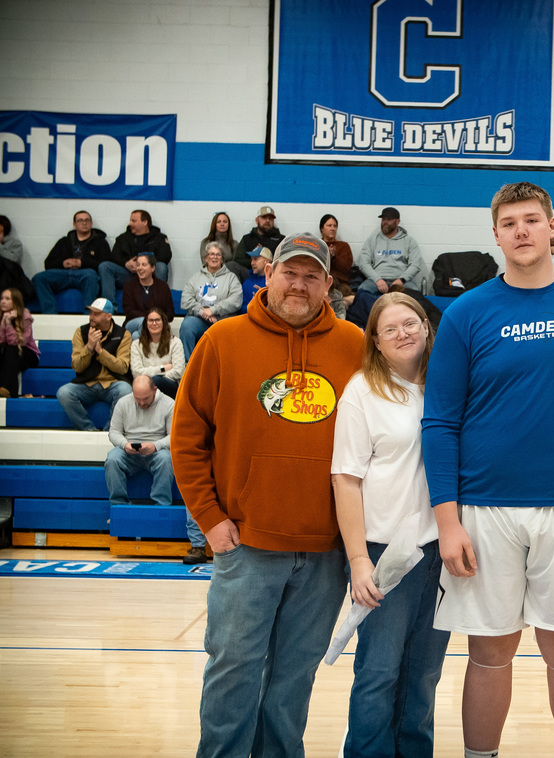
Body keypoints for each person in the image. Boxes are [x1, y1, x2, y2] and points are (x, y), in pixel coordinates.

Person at [422, 182, 554, 758]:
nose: (521, 230)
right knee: (489, 654)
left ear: (552, 228)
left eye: (532, 219)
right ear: (495, 235)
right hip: (484, 509)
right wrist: (447, 518)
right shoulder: (465, 312)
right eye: (509, 222)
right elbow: (440, 421)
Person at [170, 232, 364, 756]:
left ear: (328, 285)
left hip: (324, 552)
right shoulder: (222, 340)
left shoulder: (355, 346)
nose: (299, 285)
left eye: (311, 276)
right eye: (290, 273)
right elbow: (187, 438)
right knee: (233, 671)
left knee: (292, 680)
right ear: (268, 274)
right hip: (247, 544)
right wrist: (209, 519)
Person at [331, 292, 450, 757]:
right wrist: (359, 560)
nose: (404, 333)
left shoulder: (446, 385)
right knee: (379, 671)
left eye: (412, 323)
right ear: (376, 342)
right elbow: (345, 478)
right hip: (384, 552)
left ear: (427, 327)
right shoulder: (362, 390)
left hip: (439, 548)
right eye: (390, 329)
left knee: (423, 671)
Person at [56, 298, 132, 431]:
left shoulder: (123, 334)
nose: (91, 317)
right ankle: (89, 429)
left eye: (96, 314)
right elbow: (77, 366)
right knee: (64, 393)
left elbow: (122, 367)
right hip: (87, 384)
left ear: (108, 317)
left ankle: (109, 431)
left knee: (126, 390)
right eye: (91, 313)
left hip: (112, 383)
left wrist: (100, 352)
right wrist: (89, 347)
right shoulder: (80, 332)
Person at [104, 375, 175, 510]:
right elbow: (113, 432)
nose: (142, 403)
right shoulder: (123, 402)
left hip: (157, 449)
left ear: (155, 390)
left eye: (146, 398)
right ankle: (118, 506)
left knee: (166, 459)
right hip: (128, 448)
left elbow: (174, 436)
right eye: (137, 399)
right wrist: (125, 444)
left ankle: (161, 506)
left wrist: (155, 446)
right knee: (112, 459)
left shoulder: (169, 404)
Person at [32, 210, 107, 313]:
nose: (84, 223)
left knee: (91, 276)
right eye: (80, 220)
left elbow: (104, 264)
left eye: (87, 220)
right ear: (74, 224)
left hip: (85, 274)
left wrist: (82, 263)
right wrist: (63, 263)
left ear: (91, 223)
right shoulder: (64, 241)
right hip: (63, 273)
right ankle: (50, 314)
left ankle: (89, 317)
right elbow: (48, 263)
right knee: (39, 278)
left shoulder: (100, 242)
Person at [179, 241, 243, 360]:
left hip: (222, 321)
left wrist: (213, 310)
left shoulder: (231, 278)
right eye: (211, 254)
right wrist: (202, 312)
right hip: (200, 320)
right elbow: (185, 299)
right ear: (205, 258)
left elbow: (236, 301)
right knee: (187, 325)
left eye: (218, 255)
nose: (214, 257)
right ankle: (189, 367)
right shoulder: (196, 278)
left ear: (222, 259)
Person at [100, 209, 172, 304]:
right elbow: (114, 256)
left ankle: (156, 306)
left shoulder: (159, 238)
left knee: (161, 267)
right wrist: (126, 263)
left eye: (134, 221)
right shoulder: (123, 238)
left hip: (150, 276)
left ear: (145, 222)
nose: (130, 224)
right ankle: (108, 307)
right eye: (130, 221)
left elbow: (165, 256)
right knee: (105, 266)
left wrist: (145, 265)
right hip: (129, 275)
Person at [357, 206, 424, 296]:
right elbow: (363, 264)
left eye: (388, 219)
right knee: (361, 294)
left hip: (402, 281)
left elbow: (415, 264)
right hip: (376, 281)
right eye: (383, 219)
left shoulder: (409, 241)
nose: (385, 222)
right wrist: (377, 279)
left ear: (398, 221)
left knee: (417, 296)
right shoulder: (372, 240)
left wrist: (401, 280)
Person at [130, 308, 184, 399]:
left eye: (157, 320)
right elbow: (136, 373)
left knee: (156, 380)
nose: (154, 323)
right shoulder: (136, 344)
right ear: (146, 323)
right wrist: (163, 368)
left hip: (170, 385)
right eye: (151, 320)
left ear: (163, 322)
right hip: (144, 387)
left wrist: (156, 378)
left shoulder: (175, 342)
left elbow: (179, 372)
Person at [121, 253, 174, 338]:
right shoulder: (129, 286)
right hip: (132, 323)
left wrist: (156, 319)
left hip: (157, 324)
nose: (140, 268)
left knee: (136, 336)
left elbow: (170, 314)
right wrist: (150, 317)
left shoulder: (163, 287)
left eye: (144, 265)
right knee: (143, 322)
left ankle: (145, 350)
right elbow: (129, 311)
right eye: (138, 265)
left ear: (153, 268)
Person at [0, 287, 40, 398]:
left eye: (7, 299)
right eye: (2, 298)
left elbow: (19, 342)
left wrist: (8, 324)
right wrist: (3, 323)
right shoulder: (1, 315)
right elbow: (1, 341)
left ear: (16, 301)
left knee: (12, 349)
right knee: (7, 351)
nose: (3, 301)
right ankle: (5, 390)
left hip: (27, 353)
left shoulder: (25, 316)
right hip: (11, 353)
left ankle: (7, 389)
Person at [230, 205, 285, 280]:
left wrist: (266, 259)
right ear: (257, 220)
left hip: (272, 275)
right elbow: (237, 259)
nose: (267, 220)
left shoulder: (281, 239)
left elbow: (284, 261)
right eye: (264, 218)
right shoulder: (247, 238)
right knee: (231, 265)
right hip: (249, 274)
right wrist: (255, 261)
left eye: (270, 218)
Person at [320, 213, 356, 317]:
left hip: (340, 284)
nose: (332, 228)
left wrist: (334, 257)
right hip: (322, 282)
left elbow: (345, 268)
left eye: (334, 226)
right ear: (322, 228)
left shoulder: (343, 246)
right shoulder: (317, 245)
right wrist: (327, 256)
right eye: (329, 225)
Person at [240, 246, 271, 311]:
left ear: (267, 261)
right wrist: (253, 304)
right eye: (251, 259)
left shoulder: (275, 281)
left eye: (256, 259)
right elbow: (242, 310)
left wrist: (265, 301)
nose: (252, 263)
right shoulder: (247, 283)